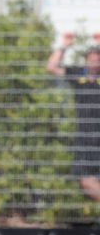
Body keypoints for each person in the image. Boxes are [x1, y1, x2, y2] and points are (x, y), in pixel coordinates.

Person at [46, 33, 100, 202]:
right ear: (86, 60)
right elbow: (52, 66)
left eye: (98, 58)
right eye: (91, 58)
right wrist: (64, 45)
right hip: (84, 138)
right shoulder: (78, 75)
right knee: (85, 181)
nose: (95, 61)